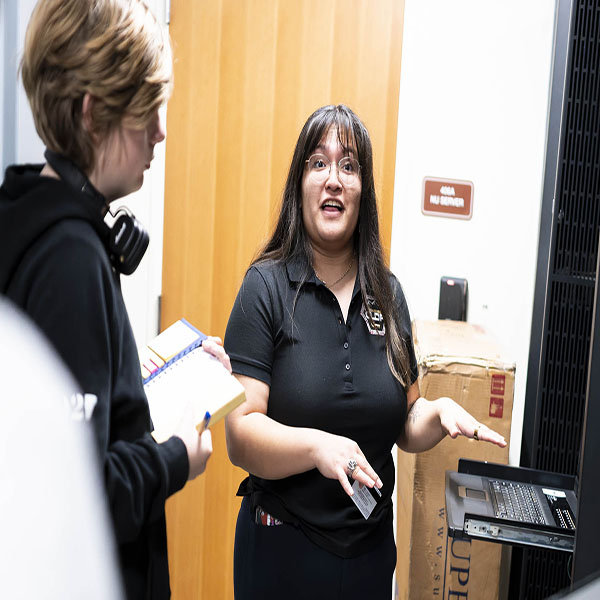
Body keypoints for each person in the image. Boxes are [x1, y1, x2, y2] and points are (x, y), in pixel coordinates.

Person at [224, 104, 506, 599]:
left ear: (363, 190)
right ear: (300, 184)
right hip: (282, 551)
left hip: (369, 558)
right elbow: (241, 435)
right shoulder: (264, 287)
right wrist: (317, 448)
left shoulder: (387, 293)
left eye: (349, 166)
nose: (334, 179)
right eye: (318, 163)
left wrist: (435, 412)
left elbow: (405, 421)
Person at [0, 1, 230, 598]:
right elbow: (78, 491)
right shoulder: (69, 260)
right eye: (147, 110)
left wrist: (163, 373)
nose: (161, 131)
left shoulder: (27, 220)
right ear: (93, 112)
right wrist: (177, 455)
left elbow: (68, 410)